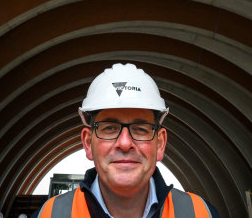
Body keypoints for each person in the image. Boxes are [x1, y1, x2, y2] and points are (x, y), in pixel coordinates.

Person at [33, 63, 220, 217]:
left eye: (140, 129)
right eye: (109, 128)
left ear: (160, 143)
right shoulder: (50, 214)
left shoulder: (199, 213)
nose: (124, 143)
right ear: (88, 143)